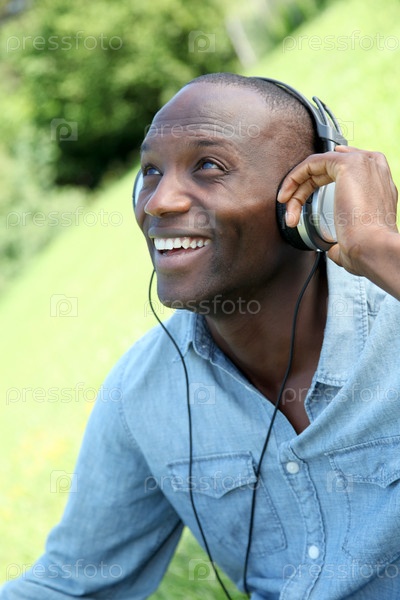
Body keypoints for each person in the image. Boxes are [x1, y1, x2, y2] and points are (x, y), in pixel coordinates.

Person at [1, 72, 400, 600]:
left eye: (209, 166)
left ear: (312, 197)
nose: (158, 202)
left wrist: (376, 245)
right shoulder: (142, 395)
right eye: (150, 171)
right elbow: (71, 584)